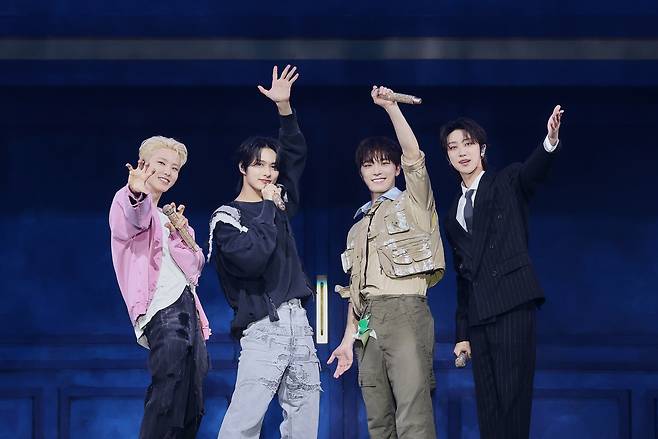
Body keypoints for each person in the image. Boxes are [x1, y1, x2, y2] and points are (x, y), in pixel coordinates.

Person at [208, 65, 320, 439]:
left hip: (299, 324)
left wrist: (284, 109)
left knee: (304, 424)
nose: (270, 173)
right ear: (243, 167)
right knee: (243, 425)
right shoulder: (228, 217)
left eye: (273, 166)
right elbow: (251, 259)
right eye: (260, 165)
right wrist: (271, 208)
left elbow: (296, 153)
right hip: (262, 329)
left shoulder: (279, 200)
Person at [328, 86, 445, 438]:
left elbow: (414, 157)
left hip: (406, 311)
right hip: (368, 322)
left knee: (413, 410)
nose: (376, 171)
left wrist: (392, 109)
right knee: (378, 417)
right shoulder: (357, 224)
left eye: (384, 163)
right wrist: (349, 338)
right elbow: (354, 290)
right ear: (361, 172)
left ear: (395, 168)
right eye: (368, 165)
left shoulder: (414, 202)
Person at [441, 105, 564, 438]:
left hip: (512, 304)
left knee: (513, 401)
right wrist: (462, 333)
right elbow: (462, 276)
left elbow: (532, 173)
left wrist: (550, 140)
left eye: (467, 143)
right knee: (489, 405)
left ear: (482, 149)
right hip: (480, 316)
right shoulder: (452, 212)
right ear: (448, 157)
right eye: (453, 147)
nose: (461, 151)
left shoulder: (506, 181)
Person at [109, 135, 211, 438]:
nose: (168, 171)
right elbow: (134, 220)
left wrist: (180, 231)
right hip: (160, 307)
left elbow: (195, 267)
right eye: (161, 164)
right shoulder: (127, 201)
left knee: (193, 397)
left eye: (175, 168)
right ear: (144, 165)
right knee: (168, 384)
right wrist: (137, 192)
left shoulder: (170, 217)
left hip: (187, 307)